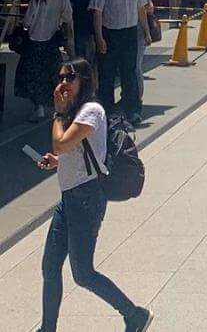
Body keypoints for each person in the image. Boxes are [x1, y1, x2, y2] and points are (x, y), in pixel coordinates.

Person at [35, 58, 152, 331]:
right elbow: (70, 151)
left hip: (86, 199)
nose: (63, 83)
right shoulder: (75, 111)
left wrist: (58, 113)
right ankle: (47, 328)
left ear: (84, 81)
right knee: (49, 267)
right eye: (61, 76)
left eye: (70, 77)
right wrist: (56, 160)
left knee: (83, 274)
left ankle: (134, 314)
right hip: (68, 199)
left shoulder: (91, 111)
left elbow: (62, 143)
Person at [89, 0, 149, 126]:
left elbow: (141, 9)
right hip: (110, 33)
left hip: (130, 33)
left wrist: (146, 32)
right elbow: (97, 12)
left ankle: (133, 110)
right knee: (107, 74)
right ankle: (106, 111)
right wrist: (99, 38)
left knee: (129, 73)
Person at [16, 0, 74, 122]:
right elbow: (68, 16)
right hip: (51, 41)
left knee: (32, 76)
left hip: (34, 42)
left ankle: (38, 106)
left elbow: (27, 21)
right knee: (53, 75)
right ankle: (59, 105)